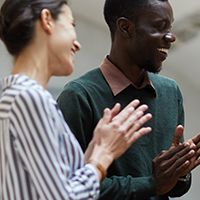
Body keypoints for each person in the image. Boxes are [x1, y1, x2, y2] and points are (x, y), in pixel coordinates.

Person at [56, 0, 200, 199]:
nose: (171, 36)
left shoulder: (170, 91)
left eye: (170, 26)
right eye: (159, 27)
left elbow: (173, 188)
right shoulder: (79, 96)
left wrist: (179, 172)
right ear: (125, 27)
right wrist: (152, 183)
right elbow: (68, 187)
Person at [0, 0, 153, 199]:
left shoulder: (13, 95)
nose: (77, 44)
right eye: (71, 25)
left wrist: (93, 151)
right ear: (47, 20)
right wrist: (103, 156)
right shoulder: (28, 97)